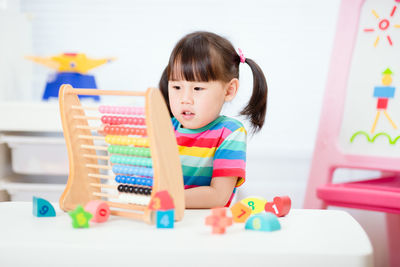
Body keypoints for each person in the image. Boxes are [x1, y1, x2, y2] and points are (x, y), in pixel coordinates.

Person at [159, 31, 268, 208]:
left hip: (208, 225)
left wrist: (165, 198)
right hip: (170, 220)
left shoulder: (229, 134)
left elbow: (218, 197)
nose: (185, 98)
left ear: (229, 90)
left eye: (198, 88)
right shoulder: (164, 128)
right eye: (177, 86)